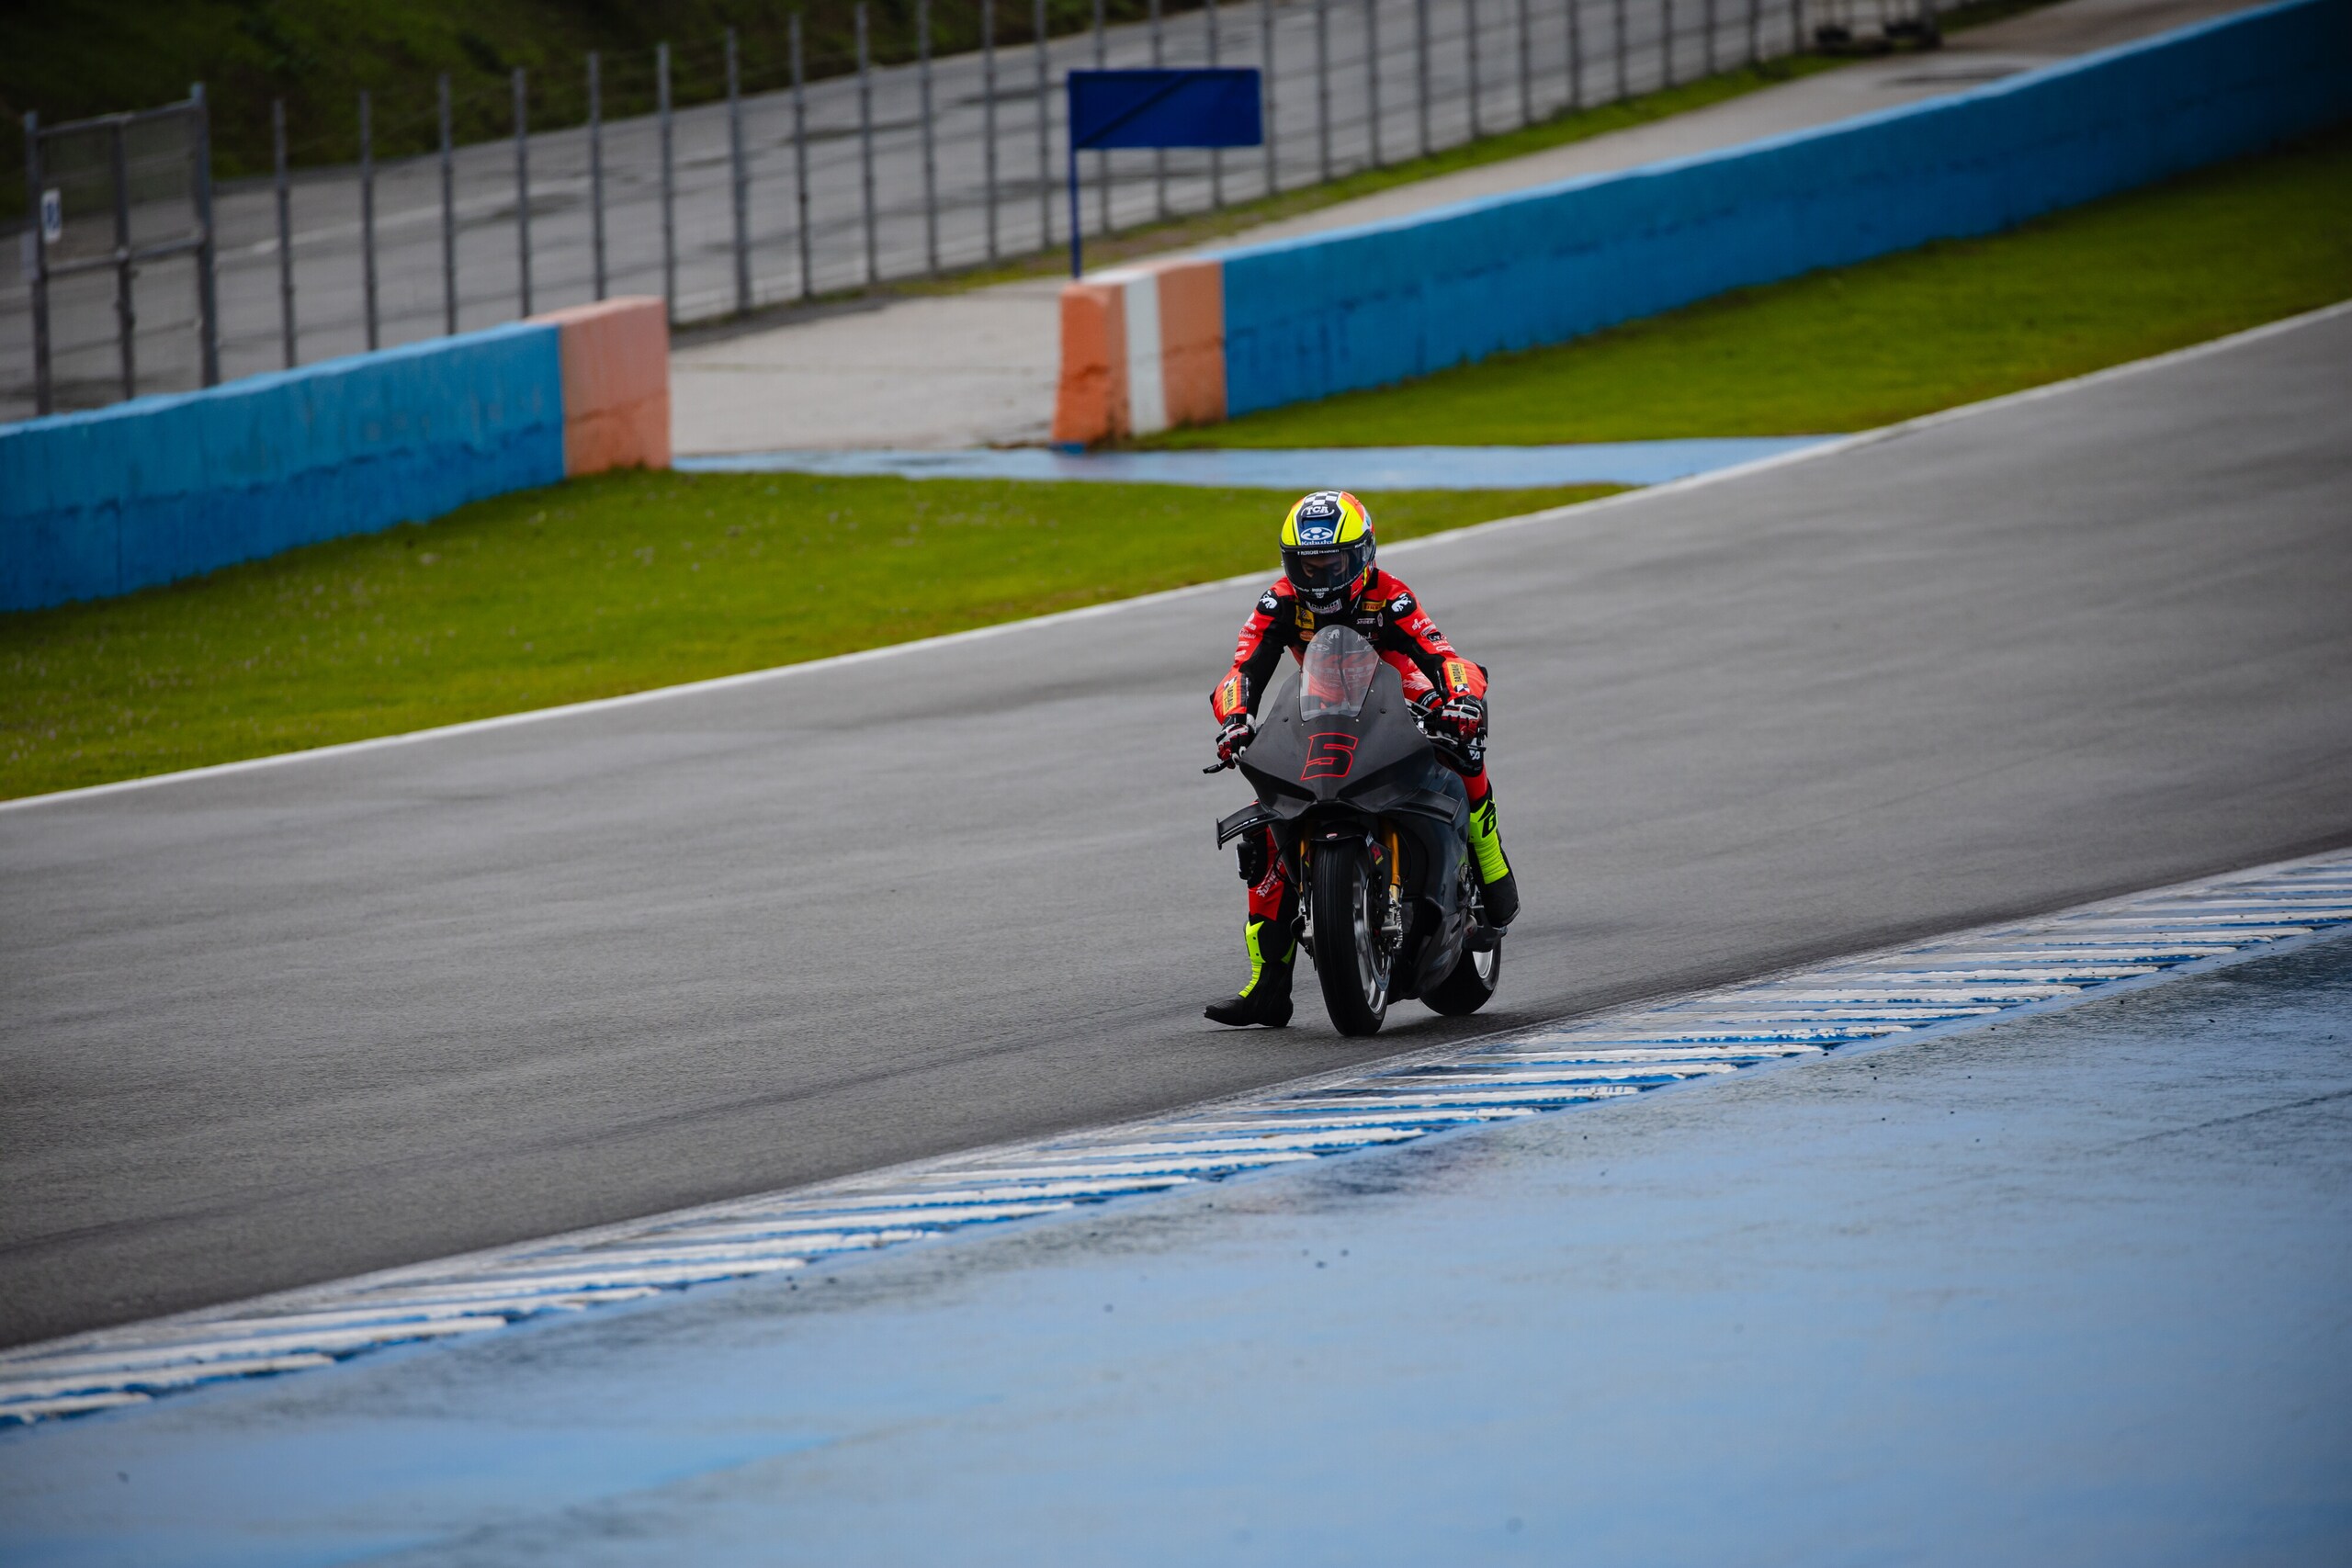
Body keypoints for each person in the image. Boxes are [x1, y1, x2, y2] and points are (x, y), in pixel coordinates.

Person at [1205, 491, 1518, 1029]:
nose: (1321, 574)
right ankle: (1267, 985)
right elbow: (1243, 670)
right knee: (1267, 819)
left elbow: (1440, 653)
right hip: (1323, 697)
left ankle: (1489, 862)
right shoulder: (1278, 602)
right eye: (1308, 562)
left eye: (1333, 561)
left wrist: (1459, 699)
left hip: (1400, 689)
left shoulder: (1390, 597)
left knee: (1465, 746)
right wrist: (1235, 720)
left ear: (1363, 554)